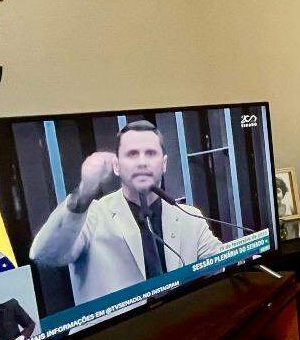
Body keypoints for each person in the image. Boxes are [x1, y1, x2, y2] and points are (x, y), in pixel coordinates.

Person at [31, 120, 224, 304]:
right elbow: (45, 255)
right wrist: (83, 194)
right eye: (132, 154)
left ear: (164, 164)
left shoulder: (189, 217)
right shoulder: (91, 216)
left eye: (150, 153)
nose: (142, 162)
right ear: (116, 166)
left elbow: (222, 263)